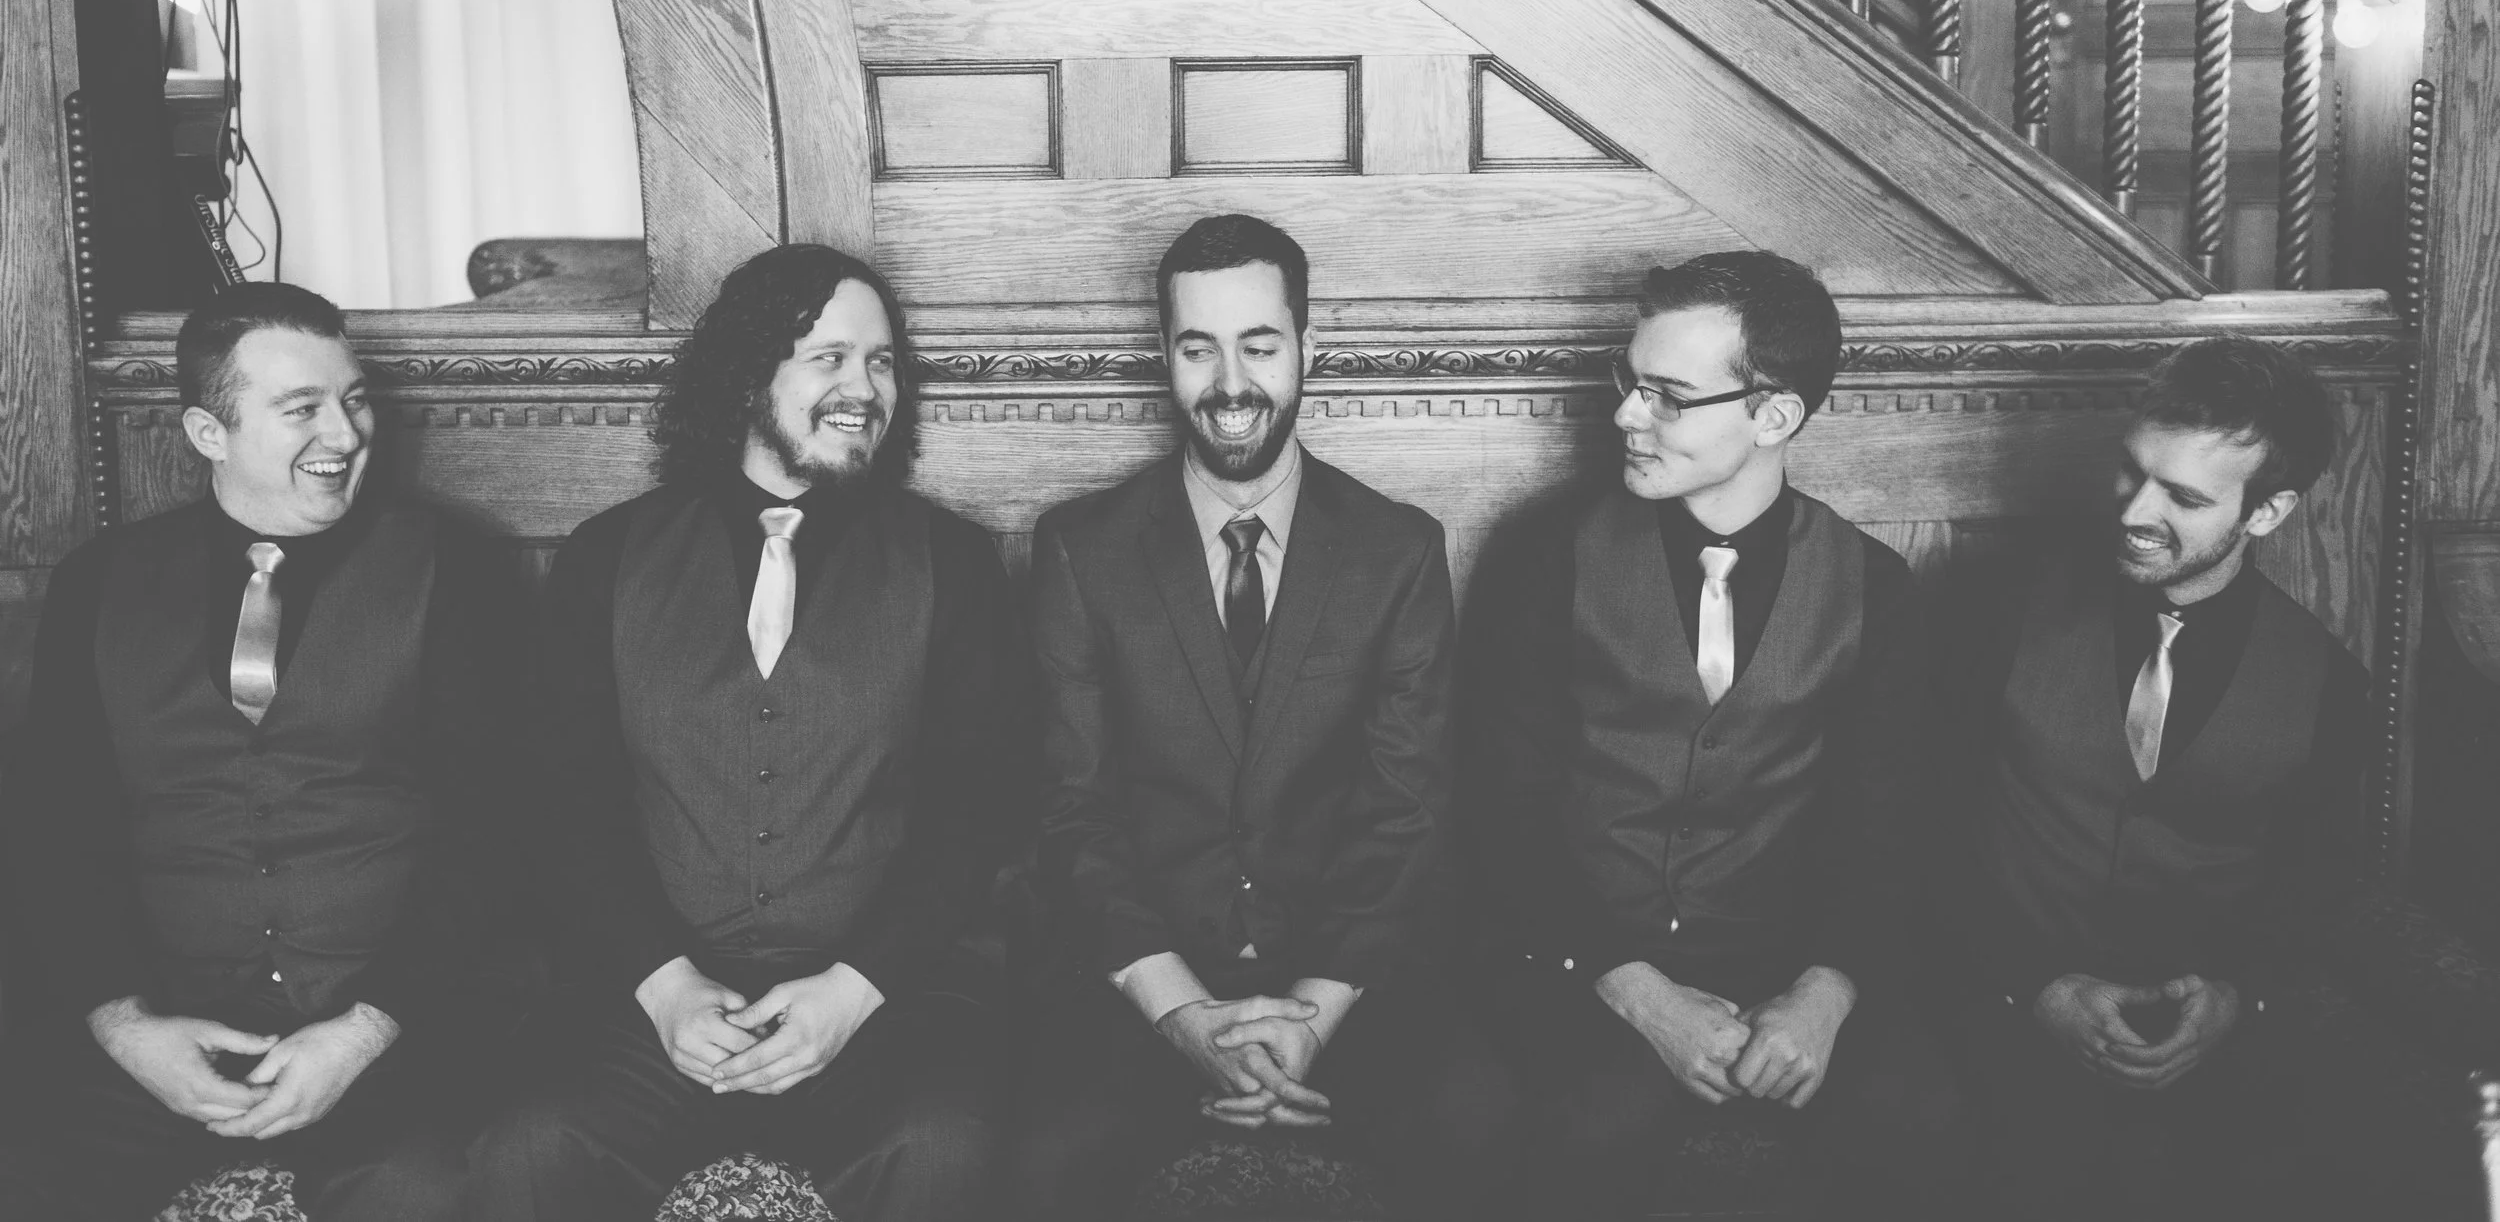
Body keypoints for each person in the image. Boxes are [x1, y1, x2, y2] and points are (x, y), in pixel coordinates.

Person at [470, 245, 1024, 1222]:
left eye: (883, 361)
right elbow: (562, 808)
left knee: (945, 1149)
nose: (864, 388)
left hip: (884, 1008)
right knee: (528, 1151)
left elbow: (976, 814)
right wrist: (665, 985)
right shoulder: (609, 556)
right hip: (651, 1015)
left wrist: (854, 989)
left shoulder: (951, 561)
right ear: (747, 373)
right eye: (830, 357)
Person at [1007, 213, 1522, 1222]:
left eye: (1258, 343)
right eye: (1198, 346)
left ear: (1305, 348)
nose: (1229, 380)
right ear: (1165, 354)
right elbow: (1072, 810)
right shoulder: (1081, 549)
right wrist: (1181, 1012)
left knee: (1484, 1122)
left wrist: (1311, 1020)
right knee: (1038, 1157)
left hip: (1352, 979)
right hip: (1143, 977)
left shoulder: (1397, 550)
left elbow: (1405, 808)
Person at [1463, 250, 1970, 1220]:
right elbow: (1502, 805)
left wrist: (1824, 992)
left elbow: (1887, 823)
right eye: (1629, 380)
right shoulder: (1541, 556)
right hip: (1577, 955)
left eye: (1666, 394)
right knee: (1585, 1122)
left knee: (1919, 1112)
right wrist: (1637, 991)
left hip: (1784, 956)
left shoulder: (1874, 585)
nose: (1625, 414)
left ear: (1773, 415)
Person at [0, 281, 520, 1221]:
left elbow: (493, 837)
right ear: (209, 433)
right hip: (163, 1031)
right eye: (302, 408)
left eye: (354, 398)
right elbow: (57, 832)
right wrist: (126, 1028)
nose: (346, 432)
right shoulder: (101, 581)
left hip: (390, 1037)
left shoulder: (458, 569)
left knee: (419, 1194)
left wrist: (361, 1033)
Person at [1933, 336, 2365, 1221]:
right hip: (1997, 1002)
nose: (2135, 509)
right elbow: (1918, 826)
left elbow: (2317, 880)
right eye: (2133, 472)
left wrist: (2237, 997)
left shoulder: (2329, 682)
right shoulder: (1994, 611)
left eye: (2185, 496)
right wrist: (2035, 983)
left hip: (2198, 1041)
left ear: (2269, 511)